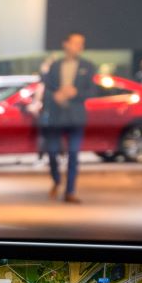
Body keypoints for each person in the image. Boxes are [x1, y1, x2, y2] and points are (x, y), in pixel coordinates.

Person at [39, 32, 97, 204]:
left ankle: (70, 190)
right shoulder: (55, 65)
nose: (80, 47)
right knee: (52, 151)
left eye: (82, 43)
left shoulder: (88, 66)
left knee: (73, 154)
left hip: (76, 117)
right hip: (56, 116)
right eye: (76, 43)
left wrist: (76, 92)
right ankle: (56, 180)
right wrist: (55, 96)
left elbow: (93, 91)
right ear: (66, 44)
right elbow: (47, 89)